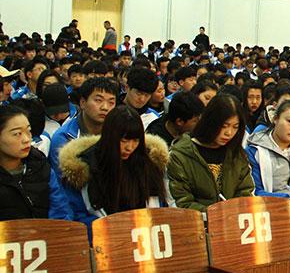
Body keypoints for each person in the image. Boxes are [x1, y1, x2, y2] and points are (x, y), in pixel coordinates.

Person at [56, 106, 171, 238]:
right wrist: (114, 231)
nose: (129, 147)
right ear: (110, 137)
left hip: (145, 238)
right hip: (104, 239)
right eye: (124, 141)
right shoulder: (85, 167)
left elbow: (160, 208)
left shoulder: (149, 164)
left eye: (135, 141)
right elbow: (78, 215)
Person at [167, 94, 255, 212]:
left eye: (235, 127)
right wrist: (214, 213)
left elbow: (246, 191)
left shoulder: (236, 152)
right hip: (196, 220)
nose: (229, 133)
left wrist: (233, 210)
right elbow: (181, 201)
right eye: (224, 126)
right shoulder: (180, 155)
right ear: (210, 122)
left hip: (233, 218)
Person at [0, 105, 67, 220]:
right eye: (17, 134)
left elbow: (61, 211)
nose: (27, 139)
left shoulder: (40, 165)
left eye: (29, 131)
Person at [49, 77, 118, 174]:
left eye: (111, 102)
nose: (105, 107)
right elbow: (62, 179)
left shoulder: (118, 132)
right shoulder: (64, 137)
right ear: (82, 103)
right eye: (98, 100)